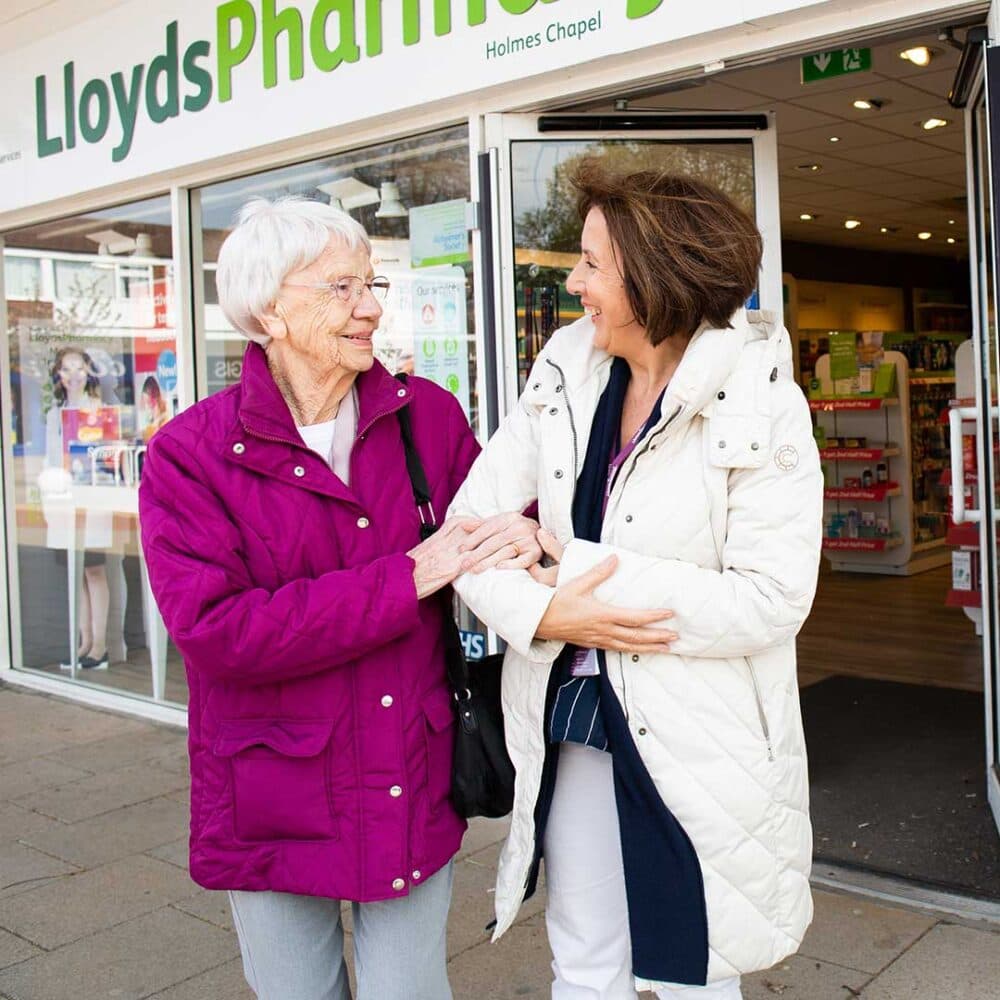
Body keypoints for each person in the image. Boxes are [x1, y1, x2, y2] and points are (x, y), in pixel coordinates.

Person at [138, 196, 541, 1000]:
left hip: (409, 770)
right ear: (268, 312)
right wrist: (407, 577)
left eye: (371, 283)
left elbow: (493, 519)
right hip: (272, 790)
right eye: (340, 288)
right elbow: (220, 634)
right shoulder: (191, 454)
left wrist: (528, 535)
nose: (370, 307)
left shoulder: (424, 415)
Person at [449, 162, 824, 999]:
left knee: (693, 967)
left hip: (703, 731)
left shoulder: (761, 401)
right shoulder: (564, 366)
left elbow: (770, 599)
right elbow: (468, 533)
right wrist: (552, 614)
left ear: (655, 276)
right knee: (584, 960)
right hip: (577, 715)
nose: (573, 281)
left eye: (590, 263)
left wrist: (569, 567)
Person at [45, 346, 112, 670]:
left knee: (95, 570)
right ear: (58, 375)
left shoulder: (97, 410)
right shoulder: (53, 413)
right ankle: (84, 641)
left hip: (93, 498)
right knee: (77, 571)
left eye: (79, 368)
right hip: (64, 500)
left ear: (89, 373)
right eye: (66, 369)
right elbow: (49, 457)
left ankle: (100, 646)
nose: (73, 376)